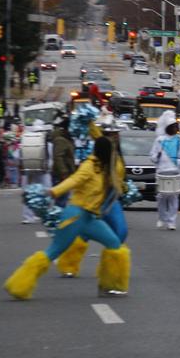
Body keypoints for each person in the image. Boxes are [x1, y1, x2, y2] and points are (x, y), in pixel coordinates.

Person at [4, 136, 130, 299]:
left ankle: (111, 286)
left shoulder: (109, 169)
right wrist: (53, 191)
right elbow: (74, 180)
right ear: (107, 152)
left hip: (91, 218)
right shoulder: (89, 166)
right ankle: (18, 285)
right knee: (53, 251)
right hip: (75, 217)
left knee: (114, 244)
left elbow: (118, 172)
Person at [56, 115, 130, 278]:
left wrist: (126, 188)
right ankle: (69, 264)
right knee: (83, 232)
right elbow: (95, 132)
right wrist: (88, 118)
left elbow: (119, 178)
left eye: (116, 134)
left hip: (112, 200)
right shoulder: (102, 148)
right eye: (111, 134)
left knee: (121, 231)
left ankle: (110, 267)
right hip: (94, 199)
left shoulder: (118, 155)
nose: (115, 137)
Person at [149, 110, 180, 231]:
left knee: (173, 198)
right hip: (162, 172)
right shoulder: (160, 140)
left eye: (175, 126)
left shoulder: (179, 140)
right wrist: (158, 156)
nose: (174, 128)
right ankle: (162, 217)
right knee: (161, 197)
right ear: (167, 127)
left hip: (175, 172)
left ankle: (172, 221)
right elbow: (152, 157)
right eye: (172, 126)